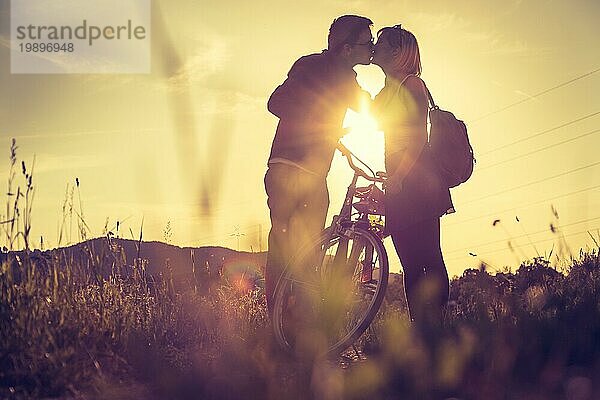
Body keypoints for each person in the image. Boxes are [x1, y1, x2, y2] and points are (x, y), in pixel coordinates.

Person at [264, 15, 374, 314]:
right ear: (347, 49)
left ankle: (282, 322)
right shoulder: (329, 72)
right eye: (368, 42)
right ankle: (290, 322)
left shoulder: (323, 70)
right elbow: (277, 102)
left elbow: (276, 103)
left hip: (295, 169)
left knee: (292, 245)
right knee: (300, 248)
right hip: (299, 170)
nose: (372, 48)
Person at [371, 25, 454, 327]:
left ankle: (438, 325)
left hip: (418, 180)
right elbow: (377, 120)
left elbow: (418, 137)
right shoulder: (389, 90)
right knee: (409, 263)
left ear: (396, 52)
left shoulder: (413, 85)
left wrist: (400, 176)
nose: (374, 47)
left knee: (428, 257)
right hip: (401, 180)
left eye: (379, 43)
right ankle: (420, 327)